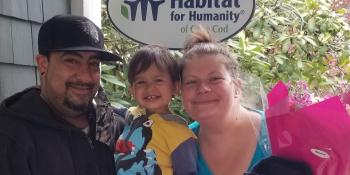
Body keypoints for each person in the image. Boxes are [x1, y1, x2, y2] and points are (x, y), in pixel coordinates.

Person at [0, 14, 123, 175]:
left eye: (93, 64)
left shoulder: (114, 127)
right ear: (43, 64)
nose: (85, 76)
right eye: (71, 61)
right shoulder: (11, 136)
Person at [179, 26, 271, 175]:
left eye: (215, 78)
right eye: (191, 82)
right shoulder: (180, 145)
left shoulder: (278, 132)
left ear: (236, 87)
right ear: (181, 92)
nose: (202, 88)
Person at [114, 45, 197, 175]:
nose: (150, 87)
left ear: (175, 87)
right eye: (141, 82)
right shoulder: (132, 113)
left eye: (158, 80)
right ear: (132, 90)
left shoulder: (182, 135)